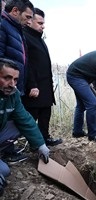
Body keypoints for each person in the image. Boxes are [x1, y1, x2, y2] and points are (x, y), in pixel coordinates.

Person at [0, 58, 50, 196]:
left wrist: (40, 144)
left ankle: (6, 152)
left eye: (15, 80)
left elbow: (25, 119)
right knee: (4, 171)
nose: (12, 84)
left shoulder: (13, 94)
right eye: (7, 78)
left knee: (18, 124)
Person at [21, 8, 62, 146]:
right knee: (33, 115)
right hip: (35, 85)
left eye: (43, 23)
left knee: (46, 112)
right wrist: (32, 85)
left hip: (45, 84)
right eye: (39, 23)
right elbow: (27, 64)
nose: (42, 26)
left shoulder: (39, 38)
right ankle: (33, 143)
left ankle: (45, 138)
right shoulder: (25, 37)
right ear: (30, 21)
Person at [0, 0, 34, 96]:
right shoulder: (2, 25)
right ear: (15, 11)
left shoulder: (18, 31)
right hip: (5, 90)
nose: (29, 22)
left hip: (13, 88)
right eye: (27, 17)